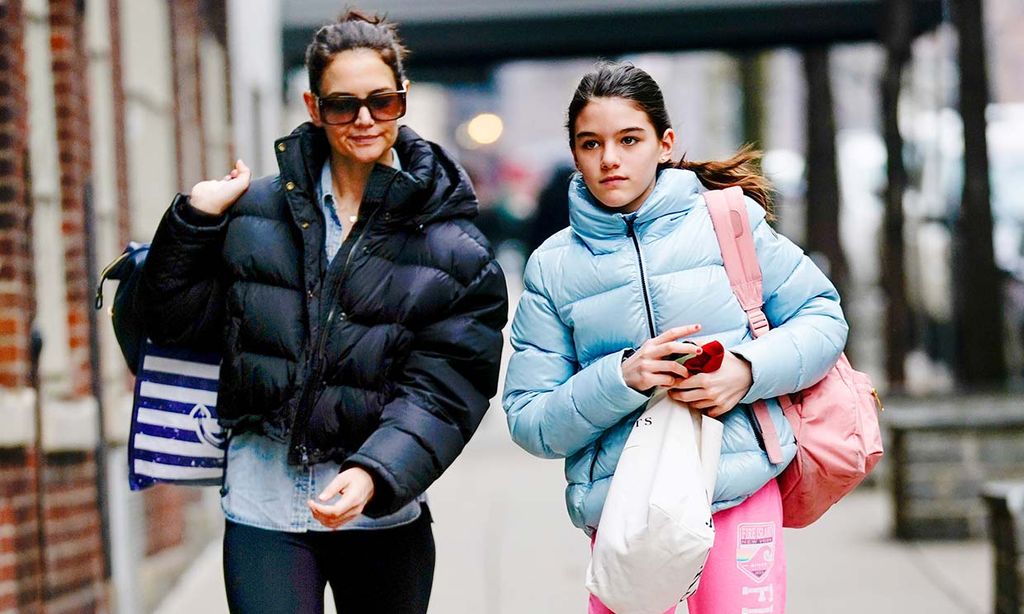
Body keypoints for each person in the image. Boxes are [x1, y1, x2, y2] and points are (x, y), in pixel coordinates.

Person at [141, 10, 508, 613]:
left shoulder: (451, 243)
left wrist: (375, 472)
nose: (364, 119)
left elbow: (449, 385)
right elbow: (173, 323)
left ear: (402, 101)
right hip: (264, 508)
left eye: (381, 102)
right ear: (314, 107)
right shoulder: (254, 213)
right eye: (343, 105)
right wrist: (195, 220)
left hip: (381, 511)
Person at [502, 62, 848, 613]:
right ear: (575, 153)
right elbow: (529, 419)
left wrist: (746, 370)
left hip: (738, 485)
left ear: (665, 143)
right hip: (626, 509)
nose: (609, 158)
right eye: (591, 143)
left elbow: (822, 316)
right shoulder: (552, 267)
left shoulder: (729, 222)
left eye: (629, 139)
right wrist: (621, 379)